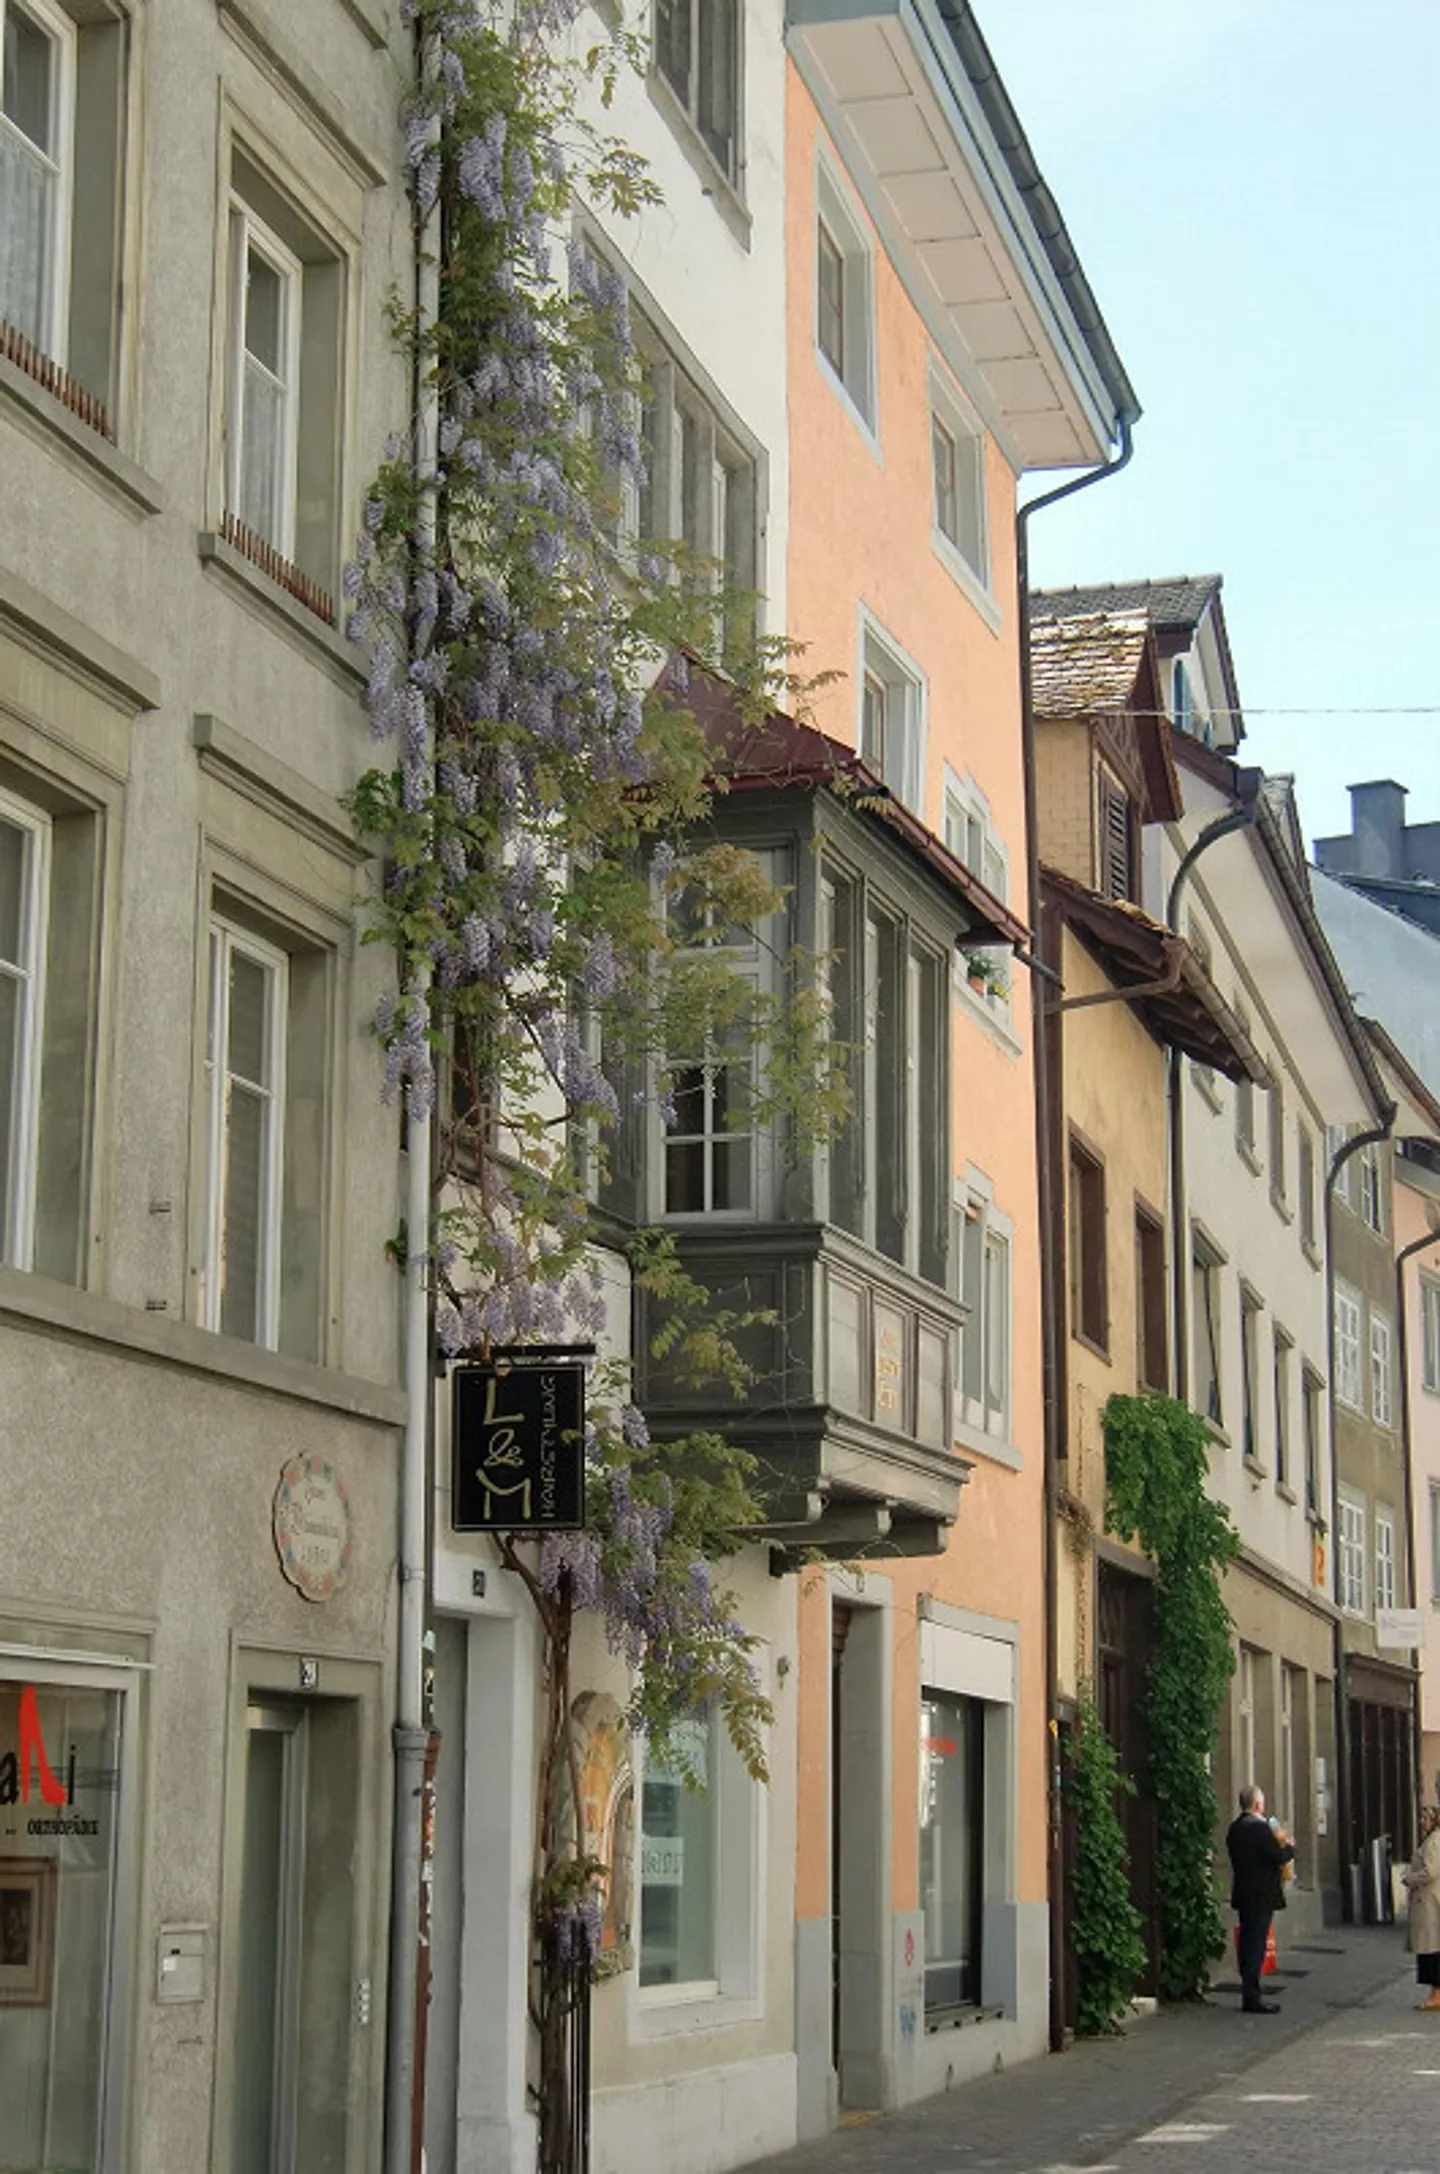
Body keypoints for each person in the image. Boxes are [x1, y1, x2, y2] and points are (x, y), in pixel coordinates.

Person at [1225, 1783, 1294, 2013]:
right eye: (1262, 1804)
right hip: (1261, 1895)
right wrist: (1289, 1847)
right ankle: (1252, 1996)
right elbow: (1278, 1855)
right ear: (1257, 1805)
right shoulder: (1260, 1829)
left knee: (1247, 1942)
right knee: (1256, 1944)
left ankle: (1249, 1991)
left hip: (1243, 1892)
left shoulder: (1235, 1829)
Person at [1402, 1804, 1440, 2012]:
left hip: (1429, 1902)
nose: (1421, 1821)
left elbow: (1431, 1871)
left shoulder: (1434, 1841)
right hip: (1429, 1901)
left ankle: (1437, 1994)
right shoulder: (1431, 1839)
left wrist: (1410, 1878)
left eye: (1425, 1818)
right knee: (1432, 1947)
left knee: (1431, 1948)